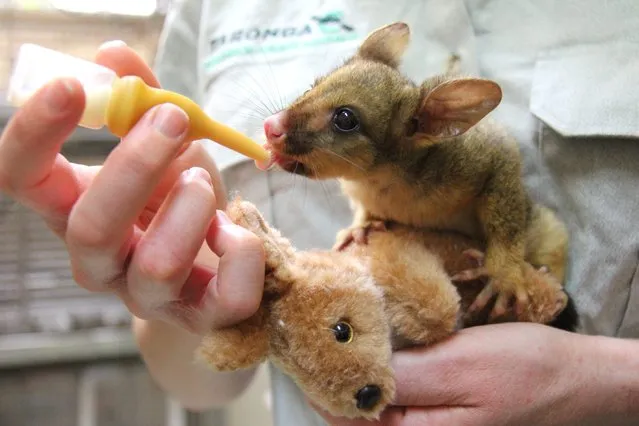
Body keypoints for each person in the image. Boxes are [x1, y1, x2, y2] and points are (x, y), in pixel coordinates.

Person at [1, 0, 638, 425]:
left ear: (428, 126)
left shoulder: (448, 149)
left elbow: (497, 163)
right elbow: (197, 385)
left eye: (341, 120)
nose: (278, 128)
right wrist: (185, 292)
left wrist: (607, 380)